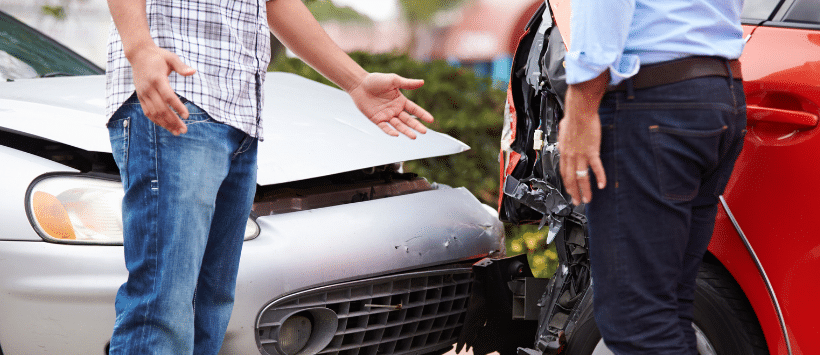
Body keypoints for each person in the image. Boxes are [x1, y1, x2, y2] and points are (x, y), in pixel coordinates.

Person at [104, 0, 434, 353]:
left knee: (209, 310)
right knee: (162, 306)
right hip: (176, 97)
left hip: (239, 115)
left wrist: (356, 83)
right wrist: (139, 48)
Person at [557, 0, 746, 353]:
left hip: (654, 102)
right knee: (667, 310)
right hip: (718, 94)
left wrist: (580, 106)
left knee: (638, 321)